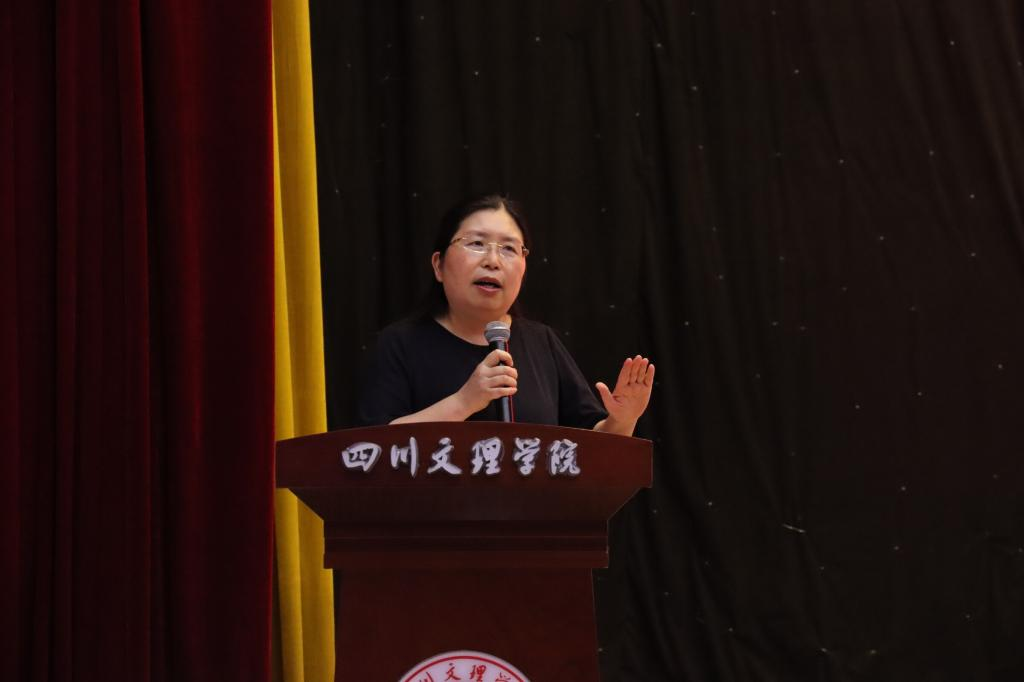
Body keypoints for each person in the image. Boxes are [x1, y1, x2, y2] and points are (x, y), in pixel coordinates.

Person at [357, 193, 654, 436]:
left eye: (509, 249)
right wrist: (464, 402)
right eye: (476, 243)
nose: (493, 261)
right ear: (438, 265)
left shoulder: (542, 342)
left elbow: (594, 449)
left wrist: (623, 419)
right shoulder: (400, 343)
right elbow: (373, 449)